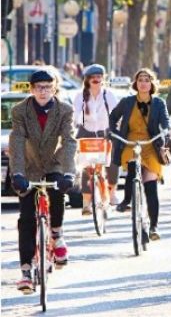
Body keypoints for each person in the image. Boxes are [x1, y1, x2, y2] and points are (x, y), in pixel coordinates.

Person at [9, 69, 77, 292]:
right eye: (39, 87)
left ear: (54, 87)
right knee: (26, 218)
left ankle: (56, 234)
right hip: (28, 166)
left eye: (48, 86)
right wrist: (17, 173)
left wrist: (69, 173)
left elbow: (68, 141)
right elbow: (17, 141)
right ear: (31, 89)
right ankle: (26, 271)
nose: (43, 91)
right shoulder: (20, 110)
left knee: (58, 191)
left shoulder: (65, 110)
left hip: (54, 162)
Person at [109, 68, 170, 240]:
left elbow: (166, 122)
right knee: (132, 166)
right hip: (130, 142)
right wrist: (112, 131)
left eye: (147, 79)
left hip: (150, 144)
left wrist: (166, 132)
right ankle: (127, 200)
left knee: (151, 187)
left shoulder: (159, 103)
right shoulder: (127, 102)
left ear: (152, 84)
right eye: (140, 79)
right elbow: (112, 117)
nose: (143, 83)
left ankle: (154, 227)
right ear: (135, 83)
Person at [73, 64, 119, 212]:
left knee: (112, 162)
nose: (96, 80)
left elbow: (117, 114)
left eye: (99, 77)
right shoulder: (80, 96)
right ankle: (86, 203)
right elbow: (75, 117)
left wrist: (119, 129)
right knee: (87, 167)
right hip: (86, 133)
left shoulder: (108, 95)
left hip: (105, 133)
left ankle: (112, 193)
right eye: (93, 78)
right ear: (87, 80)